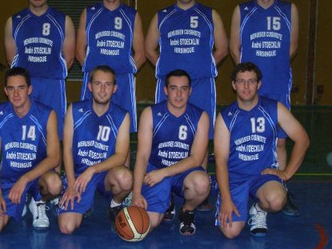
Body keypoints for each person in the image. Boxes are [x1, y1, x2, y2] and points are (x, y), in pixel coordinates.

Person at [229, 0, 300, 216]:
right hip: (251, 89)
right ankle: (244, 186)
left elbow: (292, 47)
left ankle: (281, 186)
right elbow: (234, 48)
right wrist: (249, 81)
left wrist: (272, 68)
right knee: (247, 141)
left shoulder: (289, 10)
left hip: (278, 86)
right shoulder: (243, 11)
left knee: (280, 142)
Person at [214, 62, 309, 238]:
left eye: (251, 81)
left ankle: (258, 210)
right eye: (241, 81)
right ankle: (229, 201)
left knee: (276, 200)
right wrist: (226, 199)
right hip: (235, 177)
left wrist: (286, 173)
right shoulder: (225, 117)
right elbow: (220, 162)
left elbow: (302, 139)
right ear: (234, 85)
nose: (246, 86)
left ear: (259, 84)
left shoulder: (274, 108)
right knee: (230, 232)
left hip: (262, 175)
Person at [145, 0, 228, 144]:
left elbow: (222, 49)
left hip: (201, 84)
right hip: (171, 87)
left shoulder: (210, 15)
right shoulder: (162, 16)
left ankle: (200, 171)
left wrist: (205, 67)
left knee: (202, 135)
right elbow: (148, 49)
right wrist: (163, 69)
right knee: (165, 133)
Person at [131, 69, 211, 235]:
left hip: (183, 172)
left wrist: (164, 173)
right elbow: (142, 156)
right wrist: (136, 194)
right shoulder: (150, 114)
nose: (179, 94)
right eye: (174, 88)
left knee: (202, 184)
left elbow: (196, 159)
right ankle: (167, 201)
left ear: (190, 91)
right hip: (155, 170)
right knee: (149, 223)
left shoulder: (201, 117)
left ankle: (186, 211)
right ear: (166, 90)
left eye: (184, 89)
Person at [0, 67, 62, 234]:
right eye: (11, 88)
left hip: (37, 178)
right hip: (10, 181)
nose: (16, 94)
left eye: (21, 87)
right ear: (5, 91)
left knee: (55, 185)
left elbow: (54, 157)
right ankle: (20, 202)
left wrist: (25, 179)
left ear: (30, 89)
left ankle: (38, 201)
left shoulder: (47, 114)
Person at [57, 65, 132, 234]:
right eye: (98, 84)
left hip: (106, 174)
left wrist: (93, 169)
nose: (103, 89)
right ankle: (84, 203)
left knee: (125, 178)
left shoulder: (122, 116)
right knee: (66, 228)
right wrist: (70, 184)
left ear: (115, 89)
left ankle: (116, 204)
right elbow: (67, 149)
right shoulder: (74, 110)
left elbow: (121, 156)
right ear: (90, 87)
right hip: (78, 176)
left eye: (107, 85)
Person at [5, 0, 76, 140]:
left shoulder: (63, 21)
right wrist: (23, 83)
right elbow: (11, 59)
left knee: (55, 133)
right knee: (26, 131)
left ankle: (56, 168)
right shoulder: (14, 21)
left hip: (53, 85)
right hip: (25, 86)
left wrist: (51, 73)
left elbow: (70, 58)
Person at [76, 0, 145, 133]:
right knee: (87, 128)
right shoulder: (89, 13)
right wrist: (94, 78)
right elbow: (79, 50)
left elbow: (140, 54)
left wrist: (125, 70)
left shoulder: (132, 15)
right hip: (95, 83)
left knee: (123, 130)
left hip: (122, 81)